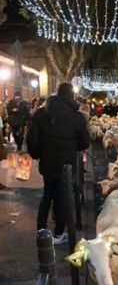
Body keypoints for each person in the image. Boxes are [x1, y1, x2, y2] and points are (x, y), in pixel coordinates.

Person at [27, 83, 90, 244]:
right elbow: (84, 143)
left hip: (47, 163)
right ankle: (58, 233)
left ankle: (41, 230)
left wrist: (37, 154)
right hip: (67, 164)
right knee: (63, 197)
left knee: (47, 194)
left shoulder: (41, 114)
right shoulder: (77, 116)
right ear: (71, 96)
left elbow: (32, 139)